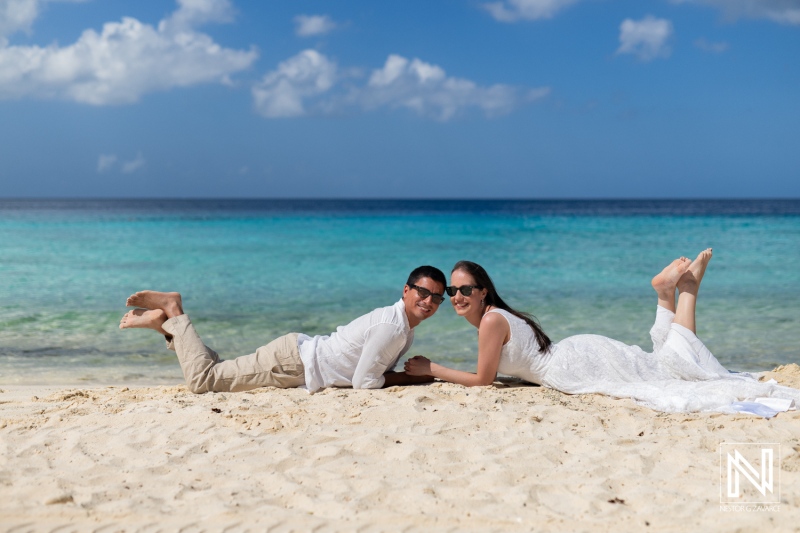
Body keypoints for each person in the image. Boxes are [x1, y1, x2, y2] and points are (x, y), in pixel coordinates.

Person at [404, 251, 800, 413]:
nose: (457, 296)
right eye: (453, 291)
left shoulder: (490, 320)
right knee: (658, 367)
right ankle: (671, 294)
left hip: (572, 366)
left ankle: (684, 291)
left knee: (668, 374)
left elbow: (482, 380)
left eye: (464, 289)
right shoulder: (495, 317)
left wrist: (431, 368)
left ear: (483, 291)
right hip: (576, 353)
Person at [120, 266, 446, 394]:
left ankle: (165, 327)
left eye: (436, 297)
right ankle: (174, 308)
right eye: (423, 292)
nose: (428, 301)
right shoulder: (393, 326)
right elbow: (364, 383)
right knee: (203, 381)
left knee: (215, 368)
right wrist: (414, 376)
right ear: (406, 290)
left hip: (295, 360)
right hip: (291, 364)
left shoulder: (399, 323)